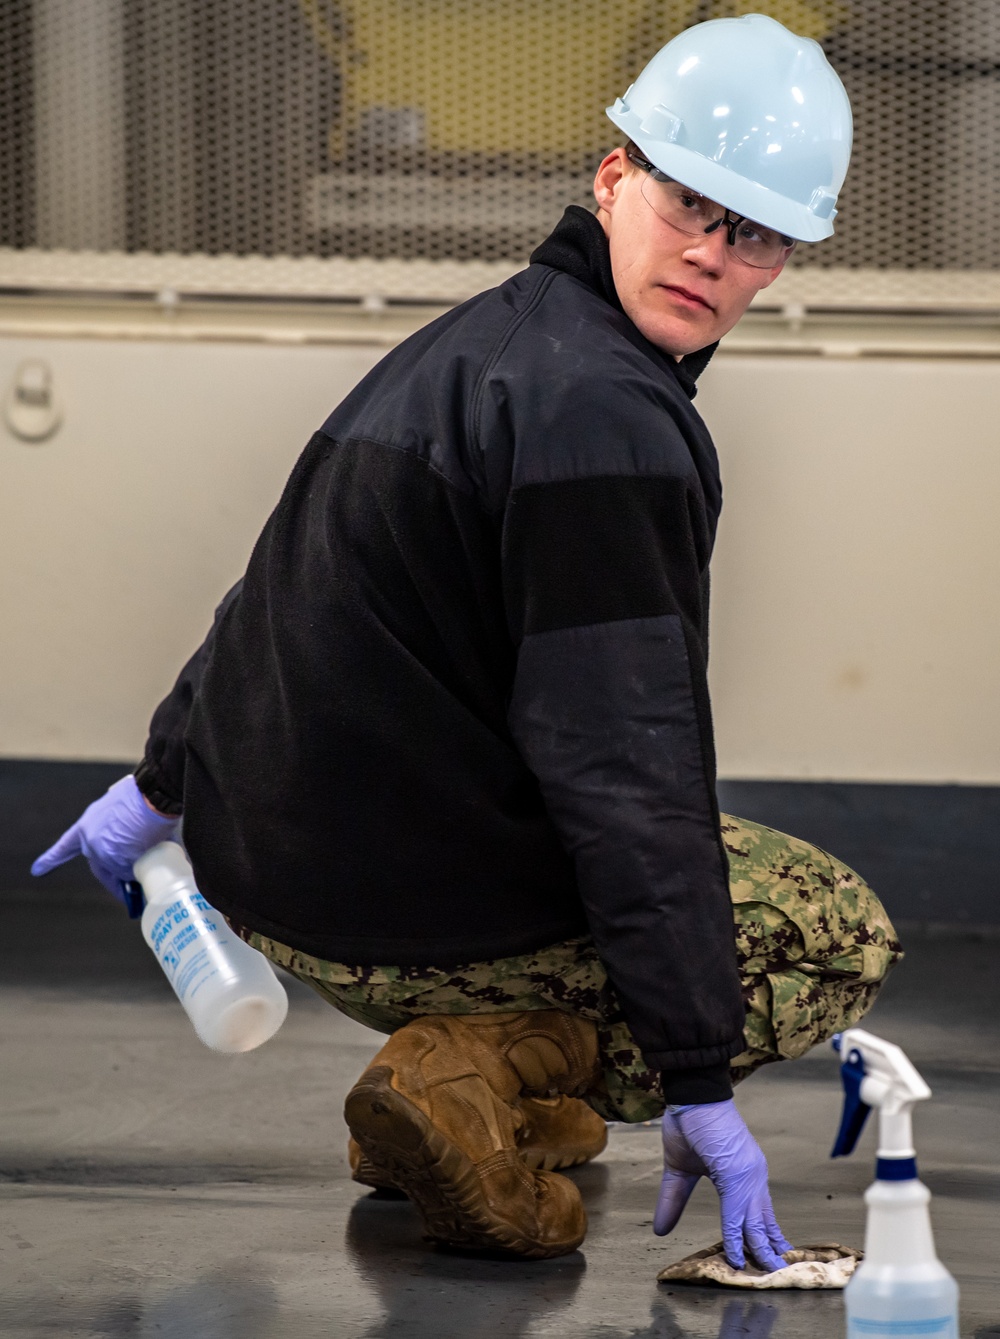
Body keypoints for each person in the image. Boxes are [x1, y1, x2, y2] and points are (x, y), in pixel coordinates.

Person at [33, 14, 900, 1267]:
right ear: (613, 180)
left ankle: (463, 1100)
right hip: (394, 916)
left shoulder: (473, 343)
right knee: (822, 923)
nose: (712, 254)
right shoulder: (606, 416)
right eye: (688, 205)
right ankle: (466, 1060)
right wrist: (697, 1074)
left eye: (753, 231)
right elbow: (624, 764)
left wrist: (159, 788)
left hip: (260, 886)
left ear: (782, 258)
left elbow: (277, 578)